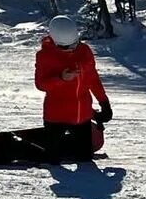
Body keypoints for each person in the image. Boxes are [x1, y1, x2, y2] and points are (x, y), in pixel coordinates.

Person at [35, 15, 112, 161]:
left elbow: (93, 79)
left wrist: (104, 103)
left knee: (85, 159)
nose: (73, 49)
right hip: (56, 116)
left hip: (82, 116)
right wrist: (61, 78)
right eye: (67, 47)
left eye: (75, 43)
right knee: (52, 159)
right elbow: (41, 84)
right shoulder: (44, 56)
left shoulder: (84, 51)